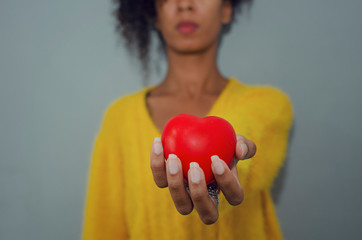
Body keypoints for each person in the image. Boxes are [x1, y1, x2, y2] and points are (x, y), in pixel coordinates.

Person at [82, 0, 293, 239]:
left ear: (226, 10)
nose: (184, 4)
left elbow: (247, 131)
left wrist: (229, 156)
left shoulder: (269, 103)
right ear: (156, 16)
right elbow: (103, 228)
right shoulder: (119, 118)